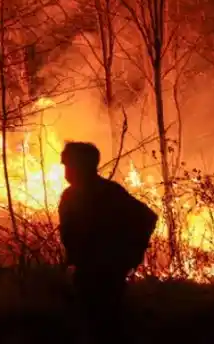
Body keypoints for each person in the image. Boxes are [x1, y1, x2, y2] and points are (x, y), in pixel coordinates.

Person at [58, 141, 158, 342]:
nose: (66, 171)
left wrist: (130, 256)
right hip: (86, 270)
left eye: (68, 165)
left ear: (82, 166)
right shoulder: (71, 195)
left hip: (106, 272)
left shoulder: (108, 193)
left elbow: (147, 217)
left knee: (104, 325)